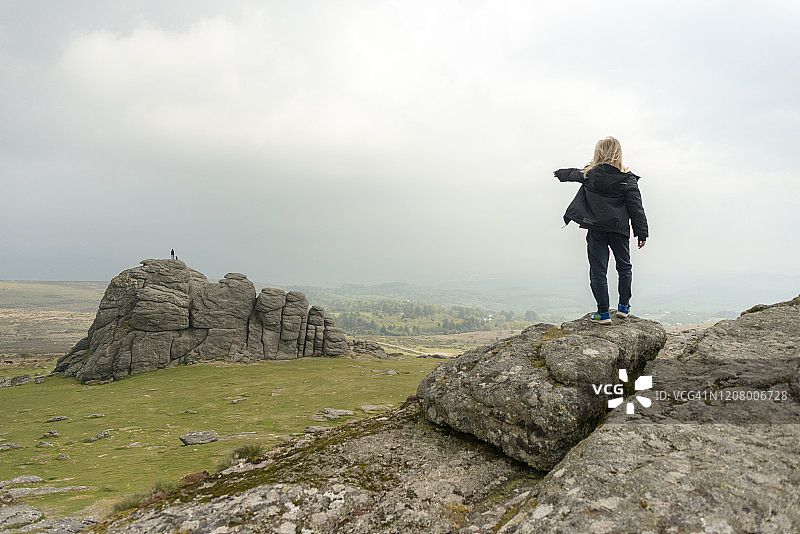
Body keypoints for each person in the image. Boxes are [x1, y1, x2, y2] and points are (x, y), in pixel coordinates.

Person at [554, 136, 648, 325]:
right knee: (624, 267)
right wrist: (641, 233)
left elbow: (572, 173)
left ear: (598, 153)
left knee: (598, 270)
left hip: (596, 229)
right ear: (618, 154)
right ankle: (623, 308)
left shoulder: (590, 175)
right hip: (619, 230)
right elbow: (636, 208)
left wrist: (558, 173)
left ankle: (603, 313)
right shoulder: (628, 180)